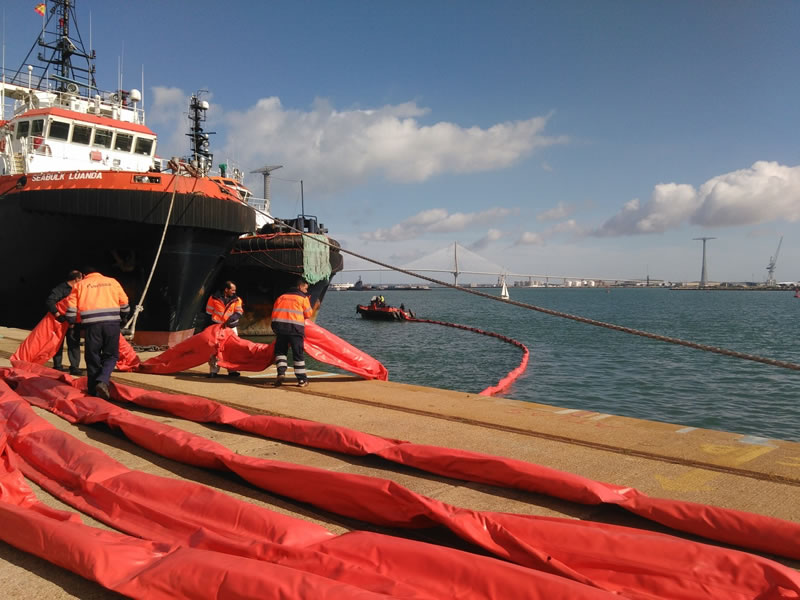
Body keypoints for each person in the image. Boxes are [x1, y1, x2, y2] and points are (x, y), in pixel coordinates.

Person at [66, 267, 129, 400]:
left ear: (84, 275)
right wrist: (123, 317)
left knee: (92, 356)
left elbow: (71, 306)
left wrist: (71, 323)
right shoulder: (112, 282)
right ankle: (103, 380)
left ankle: (92, 390)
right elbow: (124, 303)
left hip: (91, 327)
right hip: (111, 325)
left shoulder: (80, 285)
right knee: (111, 356)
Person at [271, 277, 313, 387]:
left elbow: (274, 314)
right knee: (298, 354)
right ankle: (302, 380)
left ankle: (281, 373)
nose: (306, 291)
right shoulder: (303, 298)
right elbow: (308, 314)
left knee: (280, 352)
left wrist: (275, 328)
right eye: (305, 288)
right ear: (300, 287)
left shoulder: (281, 297)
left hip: (281, 330)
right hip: (295, 329)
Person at [46, 270, 83, 375]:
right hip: (61, 322)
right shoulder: (61, 288)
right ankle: (57, 365)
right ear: (77, 279)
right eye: (81, 278)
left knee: (74, 344)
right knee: (58, 344)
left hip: (73, 322)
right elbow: (50, 301)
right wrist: (58, 315)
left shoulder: (79, 289)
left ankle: (74, 367)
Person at [206, 281, 244, 378]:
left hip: (231, 326)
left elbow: (239, 312)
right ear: (226, 290)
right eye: (233, 290)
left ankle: (232, 370)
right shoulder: (213, 298)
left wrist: (230, 319)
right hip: (217, 327)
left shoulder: (237, 299)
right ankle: (213, 371)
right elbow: (208, 312)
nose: (234, 292)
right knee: (214, 349)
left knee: (233, 348)